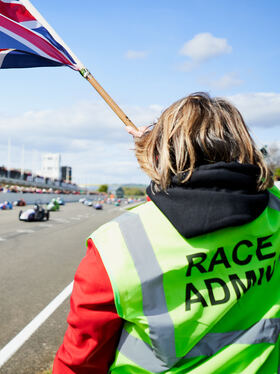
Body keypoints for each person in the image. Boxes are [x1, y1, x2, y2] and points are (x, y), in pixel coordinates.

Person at [53, 93, 279, 373]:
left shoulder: (117, 245)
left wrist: (155, 147)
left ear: (159, 154)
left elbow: (79, 363)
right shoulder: (275, 209)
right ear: (244, 144)